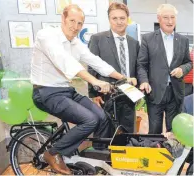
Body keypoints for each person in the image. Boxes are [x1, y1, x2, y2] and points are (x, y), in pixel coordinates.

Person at [31, 4, 134, 175]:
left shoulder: (75, 42)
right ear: (63, 19)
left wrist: (122, 78)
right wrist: (95, 81)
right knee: (89, 120)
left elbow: (96, 62)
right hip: (46, 92)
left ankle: (96, 159)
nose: (75, 27)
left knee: (102, 116)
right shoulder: (47, 35)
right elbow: (65, 61)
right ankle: (53, 153)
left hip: (66, 91)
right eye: (72, 21)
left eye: (80, 23)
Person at [137, 4, 192, 134]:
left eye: (172, 17)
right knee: (154, 132)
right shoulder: (147, 39)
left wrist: (182, 70)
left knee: (174, 130)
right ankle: (154, 152)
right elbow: (141, 64)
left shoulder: (183, 40)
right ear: (159, 19)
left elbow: (188, 62)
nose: (170, 21)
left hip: (175, 92)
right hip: (154, 93)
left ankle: (172, 153)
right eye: (166, 17)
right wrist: (144, 81)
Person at [88, 2, 139, 134]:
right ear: (109, 19)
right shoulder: (97, 39)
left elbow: (137, 68)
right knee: (104, 135)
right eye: (114, 18)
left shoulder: (134, 43)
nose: (119, 22)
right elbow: (92, 68)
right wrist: (94, 94)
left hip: (128, 96)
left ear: (127, 19)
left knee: (127, 135)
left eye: (122, 18)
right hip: (106, 96)